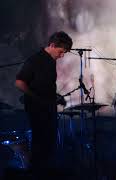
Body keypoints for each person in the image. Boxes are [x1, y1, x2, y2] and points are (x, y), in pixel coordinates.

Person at [15, 31, 72, 179]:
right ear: (52, 45)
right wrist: (36, 97)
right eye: (61, 52)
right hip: (37, 110)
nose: (62, 56)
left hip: (48, 109)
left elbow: (46, 86)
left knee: (48, 146)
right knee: (40, 146)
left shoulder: (51, 61)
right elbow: (19, 82)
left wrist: (56, 98)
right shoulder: (34, 60)